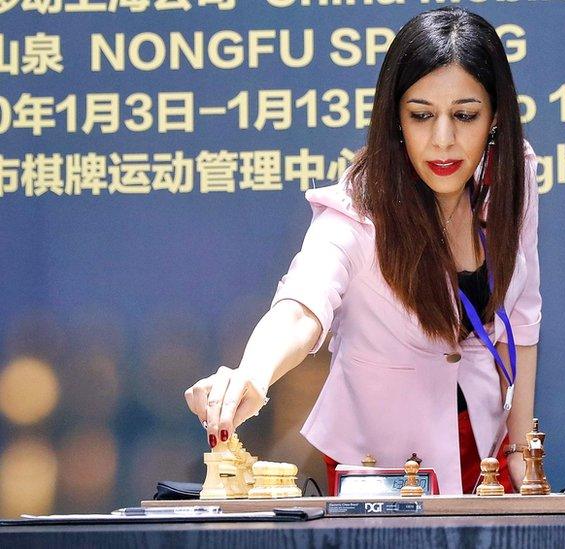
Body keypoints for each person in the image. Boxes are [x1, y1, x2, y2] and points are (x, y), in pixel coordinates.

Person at [184, 7, 541, 495]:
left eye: (465, 115)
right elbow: (302, 307)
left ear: (495, 116)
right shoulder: (357, 211)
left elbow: (522, 318)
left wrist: (521, 451)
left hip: (485, 450)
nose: (443, 139)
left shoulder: (514, 178)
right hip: (381, 469)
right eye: (421, 115)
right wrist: (252, 373)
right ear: (394, 117)